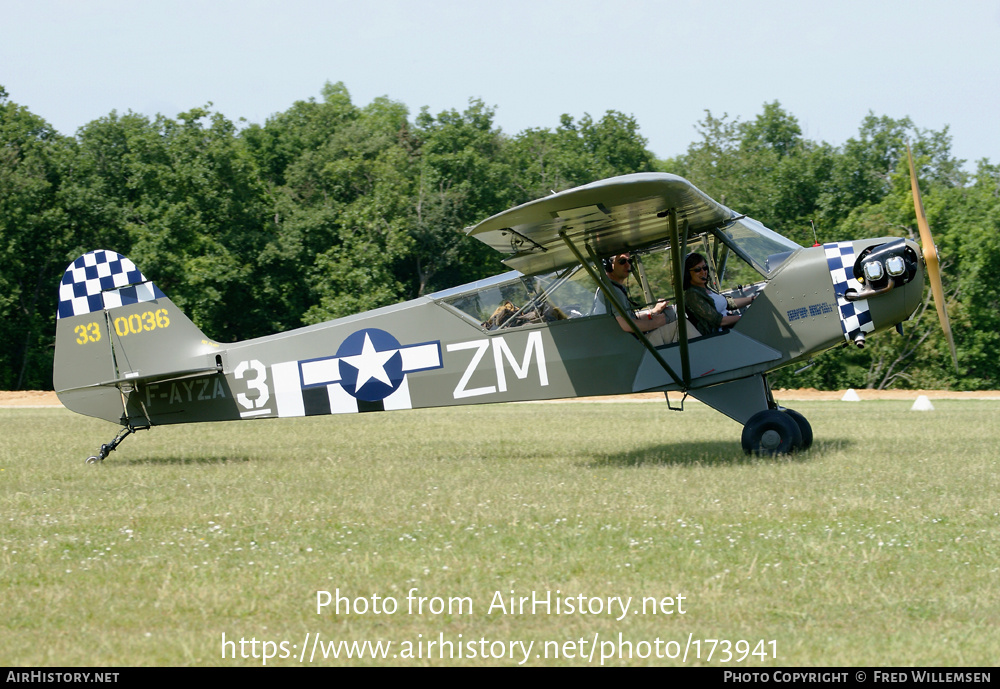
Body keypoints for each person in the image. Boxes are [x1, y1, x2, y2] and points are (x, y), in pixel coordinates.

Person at [593, 253, 679, 346]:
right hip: (629, 345)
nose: (628, 265)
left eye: (629, 261)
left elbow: (629, 318)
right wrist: (655, 323)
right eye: (622, 261)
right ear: (608, 265)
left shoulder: (613, 287)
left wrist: (653, 312)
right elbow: (627, 325)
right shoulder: (612, 290)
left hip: (625, 342)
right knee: (682, 326)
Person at [682, 252, 756, 335]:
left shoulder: (705, 288)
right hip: (722, 334)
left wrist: (752, 299)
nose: (703, 272)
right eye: (697, 270)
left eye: (705, 268)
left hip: (731, 328)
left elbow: (728, 303)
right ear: (687, 274)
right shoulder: (692, 295)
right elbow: (718, 321)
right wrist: (743, 317)